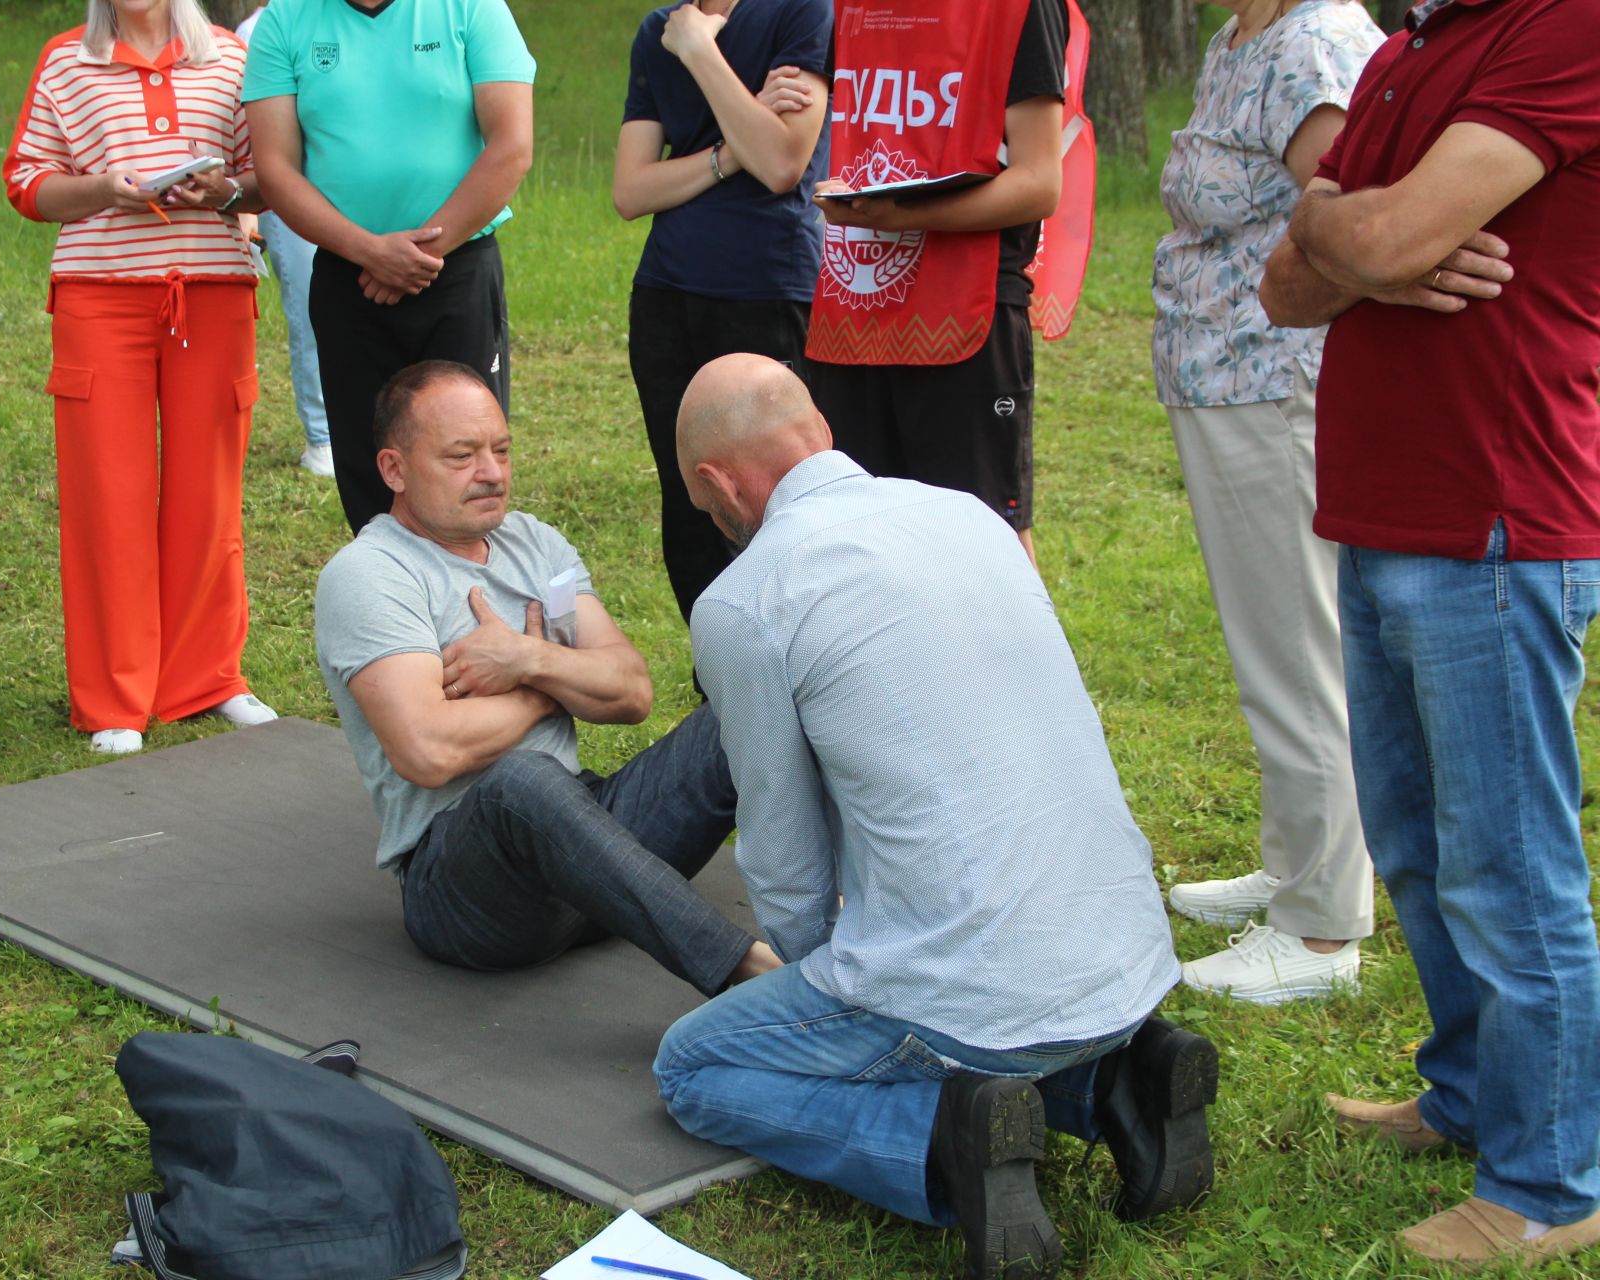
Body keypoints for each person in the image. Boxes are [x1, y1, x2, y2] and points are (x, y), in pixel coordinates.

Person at [656, 355, 1215, 1280]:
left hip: (971, 1001)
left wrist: (823, 980)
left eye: (703, 501)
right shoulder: (970, 515)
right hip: (1126, 952)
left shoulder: (747, 602)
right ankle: (1116, 1081)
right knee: (965, 976)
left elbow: (787, 866)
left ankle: (944, 1143)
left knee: (692, 1068)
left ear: (716, 484)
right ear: (820, 432)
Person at [1259, 0, 1600, 1265]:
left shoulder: (1563, 29)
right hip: (1387, 509)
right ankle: (1465, 1093)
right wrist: (1346, 240)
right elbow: (1289, 288)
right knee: (1414, 841)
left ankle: (1551, 1181)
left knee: (1510, 870)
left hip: (1500, 515)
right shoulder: (1406, 50)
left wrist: (1353, 227)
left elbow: (1382, 230)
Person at [313, 361, 781, 996]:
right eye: (461, 456)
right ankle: (751, 973)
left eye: (501, 450)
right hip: (468, 890)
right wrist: (547, 692)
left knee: (747, 706)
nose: (492, 473)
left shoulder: (532, 541)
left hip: (584, 844)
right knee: (521, 783)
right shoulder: (370, 575)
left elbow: (632, 690)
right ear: (394, 469)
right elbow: (427, 749)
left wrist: (528, 661)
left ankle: (853, 917)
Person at [1150, 0, 1383, 1002]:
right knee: (1274, 644)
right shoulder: (1243, 35)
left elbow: (1362, 216)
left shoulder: (1312, 43)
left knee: (1296, 651)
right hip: (1225, 379)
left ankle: (1322, 930)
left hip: (1274, 382)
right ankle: (1297, 863)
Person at [3, 0, 279, 755]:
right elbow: (26, 183)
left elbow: (268, 179)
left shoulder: (233, 57)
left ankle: (207, 678)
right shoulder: (66, 59)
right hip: (100, 299)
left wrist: (220, 191)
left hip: (214, 294)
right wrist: (102, 190)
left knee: (208, 493)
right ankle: (115, 696)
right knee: (109, 497)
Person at [242, 0, 534, 533]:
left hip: (457, 271)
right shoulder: (285, 19)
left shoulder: (471, 8)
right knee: (367, 465)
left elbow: (511, 146)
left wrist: (418, 255)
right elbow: (277, 169)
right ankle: (387, 603)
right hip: (348, 276)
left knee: (466, 459)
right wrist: (369, 251)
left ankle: (472, 605)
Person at [805, 0, 1066, 567]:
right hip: (851, 313)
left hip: (963, 319)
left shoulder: (1019, 8)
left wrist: (908, 215)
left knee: (978, 544)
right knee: (855, 539)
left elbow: (1040, 181)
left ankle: (1008, 660)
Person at [612, 0, 830, 624]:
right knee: (692, 499)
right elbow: (631, 191)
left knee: (777, 500)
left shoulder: (801, 12)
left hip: (766, 289)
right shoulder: (658, 31)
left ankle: (796, 666)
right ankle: (719, 678)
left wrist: (701, 50)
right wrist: (730, 152)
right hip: (666, 296)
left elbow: (783, 163)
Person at [232, 0, 333, 480]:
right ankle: (323, 436)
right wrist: (247, 218)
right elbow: (244, 140)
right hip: (288, 192)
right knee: (310, 306)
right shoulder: (257, 32)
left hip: (354, 190)